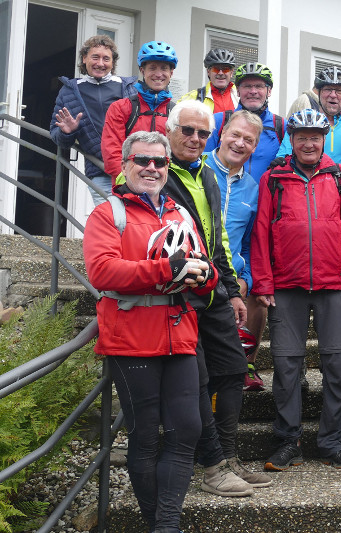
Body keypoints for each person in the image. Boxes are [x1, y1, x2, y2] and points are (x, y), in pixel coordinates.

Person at [84, 130, 216, 532]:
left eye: (160, 162)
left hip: (180, 334)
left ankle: (167, 523)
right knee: (144, 435)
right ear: (125, 166)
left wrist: (205, 275)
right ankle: (156, 522)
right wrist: (168, 269)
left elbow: (203, 272)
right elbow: (102, 271)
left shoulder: (180, 212)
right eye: (142, 160)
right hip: (131, 337)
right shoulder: (109, 213)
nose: (152, 169)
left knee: (187, 428)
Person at [160, 99, 272, 494]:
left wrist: (231, 289)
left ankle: (229, 457)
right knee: (200, 379)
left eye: (200, 132)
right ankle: (212, 467)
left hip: (215, 292)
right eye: (187, 131)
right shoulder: (160, 170)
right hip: (178, 295)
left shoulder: (206, 176)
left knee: (232, 373)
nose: (194, 138)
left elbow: (217, 239)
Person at [251, 109, 341, 471]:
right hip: (286, 285)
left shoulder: (339, 175)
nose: (308, 143)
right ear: (292, 140)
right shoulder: (274, 178)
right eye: (301, 136)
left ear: (323, 138)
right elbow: (261, 233)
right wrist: (264, 281)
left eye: (315, 136)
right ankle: (288, 440)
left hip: (334, 284)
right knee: (286, 366)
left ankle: (334, 441)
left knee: (336, 364)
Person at [203, 110, 265, 390]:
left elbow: (251, 243)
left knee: (227, 377)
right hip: (195, 279)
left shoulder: (253, 188)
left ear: (255, 146)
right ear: (222, 134)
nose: (240, 144)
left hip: (232, 286)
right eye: (235, 135)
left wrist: (246, 280)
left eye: (248, 140)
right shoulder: (198, 168)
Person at [49, 35, 137, 205]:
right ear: (84, 58)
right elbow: (57, 136)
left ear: (113, 62)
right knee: (111, 218)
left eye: (106, 59)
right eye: (95, 57)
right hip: (99, 169)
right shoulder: (69, 91)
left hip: (132, 168)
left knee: (134, 220)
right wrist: (68, 132)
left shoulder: (128, 87)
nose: (100, 63)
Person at [102, 40, 178, 181]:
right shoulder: (121, 108)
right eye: (152, 68)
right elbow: (112, 154)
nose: (158, 74)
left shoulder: (176, 112)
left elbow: (180, 155)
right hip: (128, 187)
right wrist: (129, 185)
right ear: (143, 71)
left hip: (165, 189)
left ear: (171, 73)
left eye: (164, 68)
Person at [204, 63, 283, 184]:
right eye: (247, 86)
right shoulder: (218, 121)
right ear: (238, 91)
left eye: (259, 86)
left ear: (269, 91)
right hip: (222, 198)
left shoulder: (281, 126)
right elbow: (203, 162)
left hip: (263, 200)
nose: (253, 91)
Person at [276, 66, 341, 164]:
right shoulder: (300, 126)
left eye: (339, 90)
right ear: (319, 93)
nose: (333, 95)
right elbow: (283, 160)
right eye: (328, 89)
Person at [178, 48, 239, 113]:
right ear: (208, 72)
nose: (220, 73)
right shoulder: (193, 98)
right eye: (216, 69)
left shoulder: (241, 97)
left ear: (231, 73)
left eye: (225, 69)